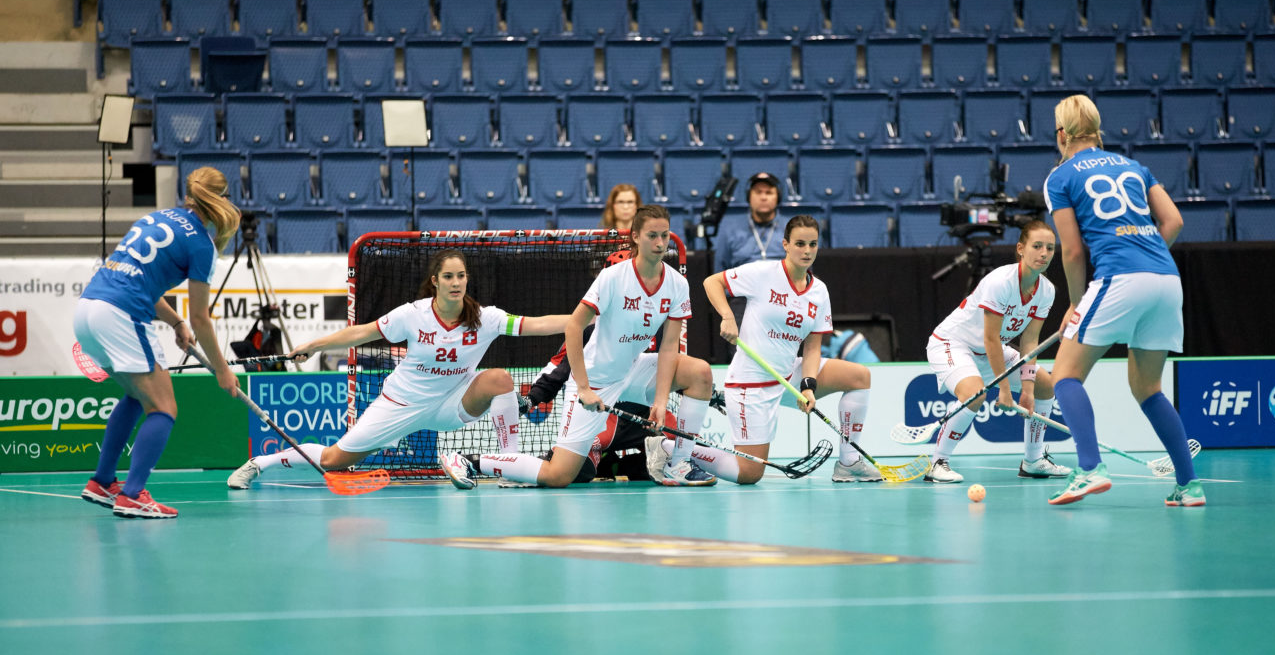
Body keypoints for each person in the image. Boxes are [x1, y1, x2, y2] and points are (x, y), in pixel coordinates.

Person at [226, 250, 569, 489]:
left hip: (452, 403)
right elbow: (361, 333)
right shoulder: (413, 314)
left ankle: (510, 465)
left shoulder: (485, 318)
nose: (456, 282)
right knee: (333, 459)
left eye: (461, 276)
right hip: (401, 404)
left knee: (500, 379)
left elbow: (538, 324)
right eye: (448, 276)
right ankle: (260, 463)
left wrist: (585, 318)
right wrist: (314, 345)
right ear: (435, 281)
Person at [440, 204, 717, 488]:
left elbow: (669, 347)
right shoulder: (613, 277)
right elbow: (574, 326)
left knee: (699, 372)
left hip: (633, 370)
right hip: (596, 379)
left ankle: (677, 463)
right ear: (635, 236)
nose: (660, 243)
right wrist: (583, 387)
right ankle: (469, 460)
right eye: (652, 236)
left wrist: (659, 401)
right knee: (559, 475)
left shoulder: (676, 284)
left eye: (665, 235)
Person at [1043, 94, 1203, 507]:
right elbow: (1174, 221)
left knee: (1064, 375)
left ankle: (1090, 468)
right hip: (1166, 278)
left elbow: (1072, 251)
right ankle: (1189, 486)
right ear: (1097, 130)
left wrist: (1076, 304)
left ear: (1061, 134)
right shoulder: (1134, 166)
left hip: (1119, 277)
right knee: (1148, 387)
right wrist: (1147, 258)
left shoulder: (1060, 177)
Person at [75, 167, 242, 519]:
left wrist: (176, 322)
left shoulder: (156, 217)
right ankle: (133, 495)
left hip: (88, 308)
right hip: (122, 315)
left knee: (137, 396)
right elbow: (202, 318)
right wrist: (222, 370)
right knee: (164, 408)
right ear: (221, 199)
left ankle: (103, 482)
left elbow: (141, 282)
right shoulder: (201, 244)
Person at [702, 214, 876, 485]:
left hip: (786, 376)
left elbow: (813, 347)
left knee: (859, 377)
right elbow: (712, 282)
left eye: (813, 244)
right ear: (785, 244)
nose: (807, 251)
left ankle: (849, 462)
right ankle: (673, 450)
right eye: (800, 244)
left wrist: (808, 385)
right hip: (751, 383)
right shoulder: (762, 273)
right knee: (749, 474)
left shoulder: (819, 291)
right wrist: (727, 316)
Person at [923, 220, 1071, 484]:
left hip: (990, 350)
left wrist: (1027, 390)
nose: (1044, 253)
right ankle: (937, 463)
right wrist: (1004, 390)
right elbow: (990, 338)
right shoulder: (1000, 282)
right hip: (953, 343)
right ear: (1020, 249)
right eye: (1037, 246)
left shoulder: (1046, 291)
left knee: (1045, 386)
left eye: (1050, 248)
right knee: (975, 393)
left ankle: (1033, 461)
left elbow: (1030, 342)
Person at [715, 172, 788, 271]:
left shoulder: (792, 229)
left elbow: (804, 270)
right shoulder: (730, 230)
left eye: (769, 193)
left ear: (778, 197)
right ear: (749, 197)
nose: (763, 198)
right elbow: (719, 272)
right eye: (758, 192)